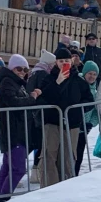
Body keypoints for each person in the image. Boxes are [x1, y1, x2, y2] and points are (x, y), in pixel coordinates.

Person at [37, 48, 94, 187]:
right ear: (56, 62)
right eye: (61, 61)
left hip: (72, 124)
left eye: (66, 61)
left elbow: (89, 100)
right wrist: (57, 83)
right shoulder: (48, 78)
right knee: (50, 156)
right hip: (52, 122)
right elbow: (43, 98)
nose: (64, 63)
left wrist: (76, 110)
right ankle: (48, 188)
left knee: (68, 157)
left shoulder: (79, 81)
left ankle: (65, 187)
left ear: (72, 61)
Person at [0, 54, 40, 202]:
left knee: (8, 166)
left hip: (16, 130)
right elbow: (13, 102)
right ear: (11, 68)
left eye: (25, 69)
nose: (22, 72)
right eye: (19, 69)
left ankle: (1, 198)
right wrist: (32, 98)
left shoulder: (17, 82)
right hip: (13, 131)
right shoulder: (8, 82)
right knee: (18, 168)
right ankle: (3, 198)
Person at [26, 49, 56, 182]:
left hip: (32, 113)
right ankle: (36, 171)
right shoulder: (43, 74)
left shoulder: (33, 72)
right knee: (39, 142)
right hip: (39, 114)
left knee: (32, 143)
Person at [74, 61, 99, 176]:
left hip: (84, 128)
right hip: (72, 126)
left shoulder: (95, 92)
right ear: (84, 73)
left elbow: (96, 112)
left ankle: (74, 175)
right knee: (69, 153)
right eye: (90, 73)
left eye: (94, 74)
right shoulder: (77, 84)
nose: (92, 76)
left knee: (79, 154)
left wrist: (91, 123)